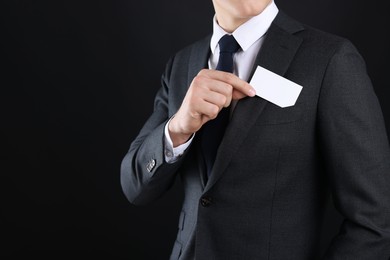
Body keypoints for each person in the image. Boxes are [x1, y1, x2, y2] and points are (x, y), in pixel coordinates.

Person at [120, 0, 390, 259]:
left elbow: (375, 221)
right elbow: (135, 188)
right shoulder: (181, 64)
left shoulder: (330, 58)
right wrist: (178, 128)